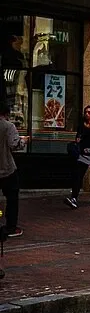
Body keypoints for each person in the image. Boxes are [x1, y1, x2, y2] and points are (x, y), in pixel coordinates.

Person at [67, 105, 90, 209]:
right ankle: (74, 197)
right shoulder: (82, 125)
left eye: (89, 112)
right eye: (85, 112)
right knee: (78, 175)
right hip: (83, 154)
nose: (86, 114)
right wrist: (78, 140)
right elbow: (78, 136)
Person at [0, 102, 22, 240]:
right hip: (7, 168)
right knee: (12, 198)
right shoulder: (9, 126)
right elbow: (14, 145)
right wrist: (23, 141)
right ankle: (10, 226)